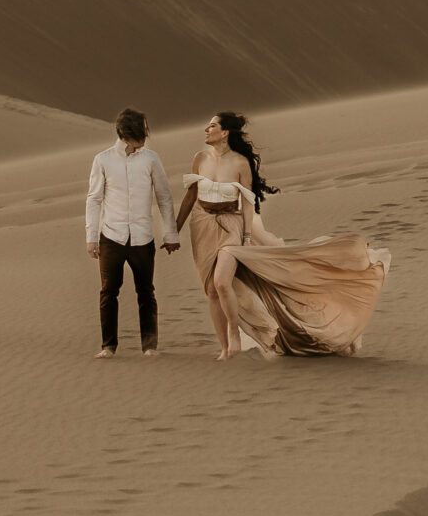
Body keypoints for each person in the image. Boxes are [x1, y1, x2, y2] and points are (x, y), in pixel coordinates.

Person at [174, 111, 388, 360]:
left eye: (212, 126)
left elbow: (246, 204)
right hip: (202, 225)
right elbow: (190, 196)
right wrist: (173, 230)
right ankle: (225, 348)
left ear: (225, 133)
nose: (206, 130)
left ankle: (234, 330)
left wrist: (244, 238)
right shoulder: (199, 158)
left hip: (231, 225)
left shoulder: (241, 163)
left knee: (222, 282)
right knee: (211, 290)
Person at [84, 108, 177, 358]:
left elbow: (164, 198)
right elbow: (94, 199)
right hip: (111, 236)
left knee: (146, 291)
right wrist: (91, 237)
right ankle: (108, 346)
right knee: (108, 292)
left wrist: (171, 235)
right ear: (125, 133)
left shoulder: (151, 159)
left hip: (142, 237)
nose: (144, 138)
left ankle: (149, 346)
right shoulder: (102, 159)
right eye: (139, 133)